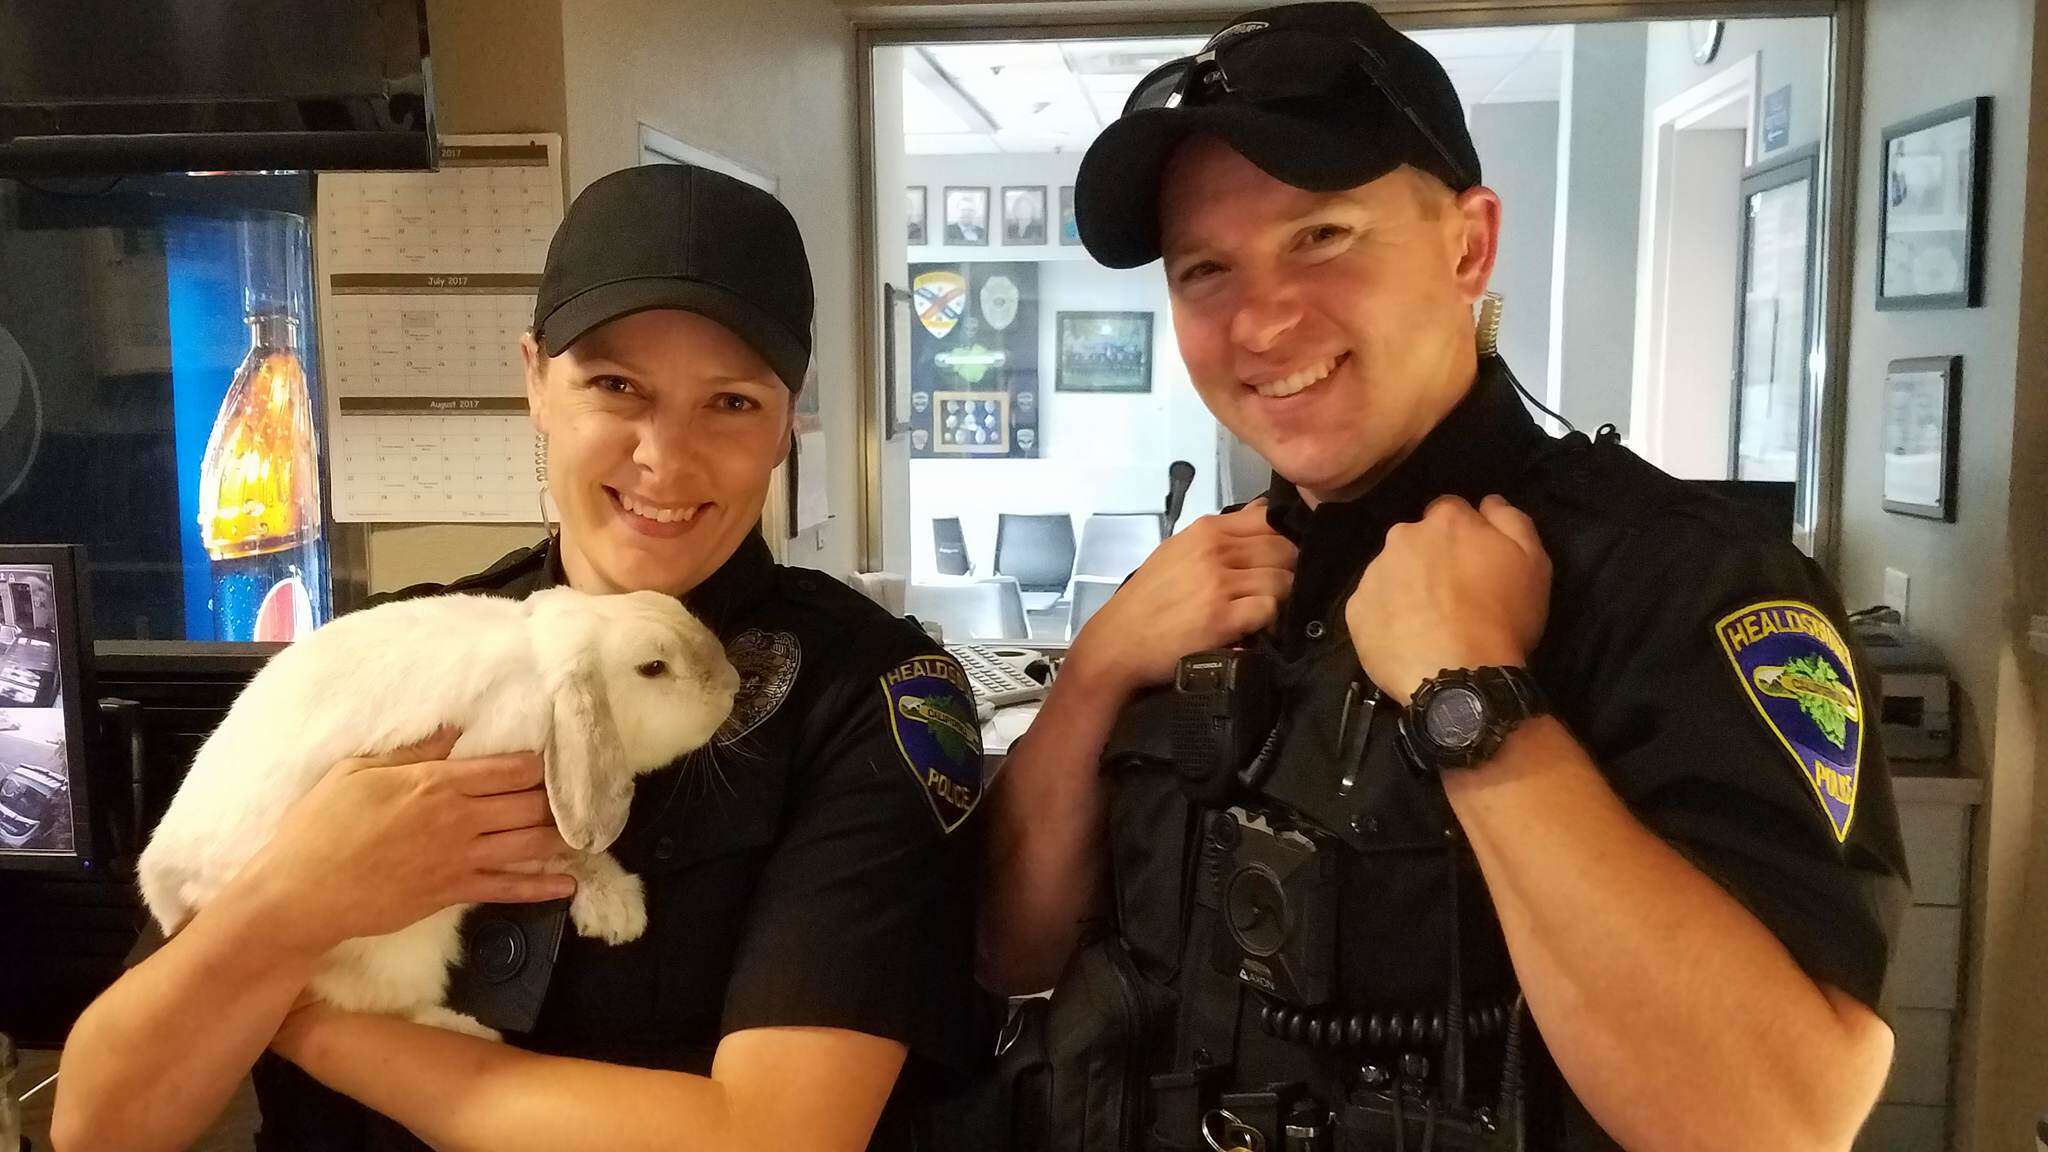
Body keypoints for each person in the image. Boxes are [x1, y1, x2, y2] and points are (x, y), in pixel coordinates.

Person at [976, 5, 1908, 1150]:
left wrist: (1473, 703)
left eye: (1321, 236)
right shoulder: (1197, 581)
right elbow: (1010, 950)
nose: (1259, 321)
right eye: (1203, 269)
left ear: (1468, 245)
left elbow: (1776, 1119)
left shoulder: (1681, 579)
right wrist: (1093, 673)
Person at [54, 164, 993, 1152]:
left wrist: (299, 1017)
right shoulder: (393, 656)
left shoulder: (870, 698)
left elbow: (776, 1138)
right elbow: (100, 1124)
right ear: (535, 382)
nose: (664, 458)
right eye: (615, 386)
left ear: (787, 426)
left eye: (730, 402)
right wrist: (295, 900)